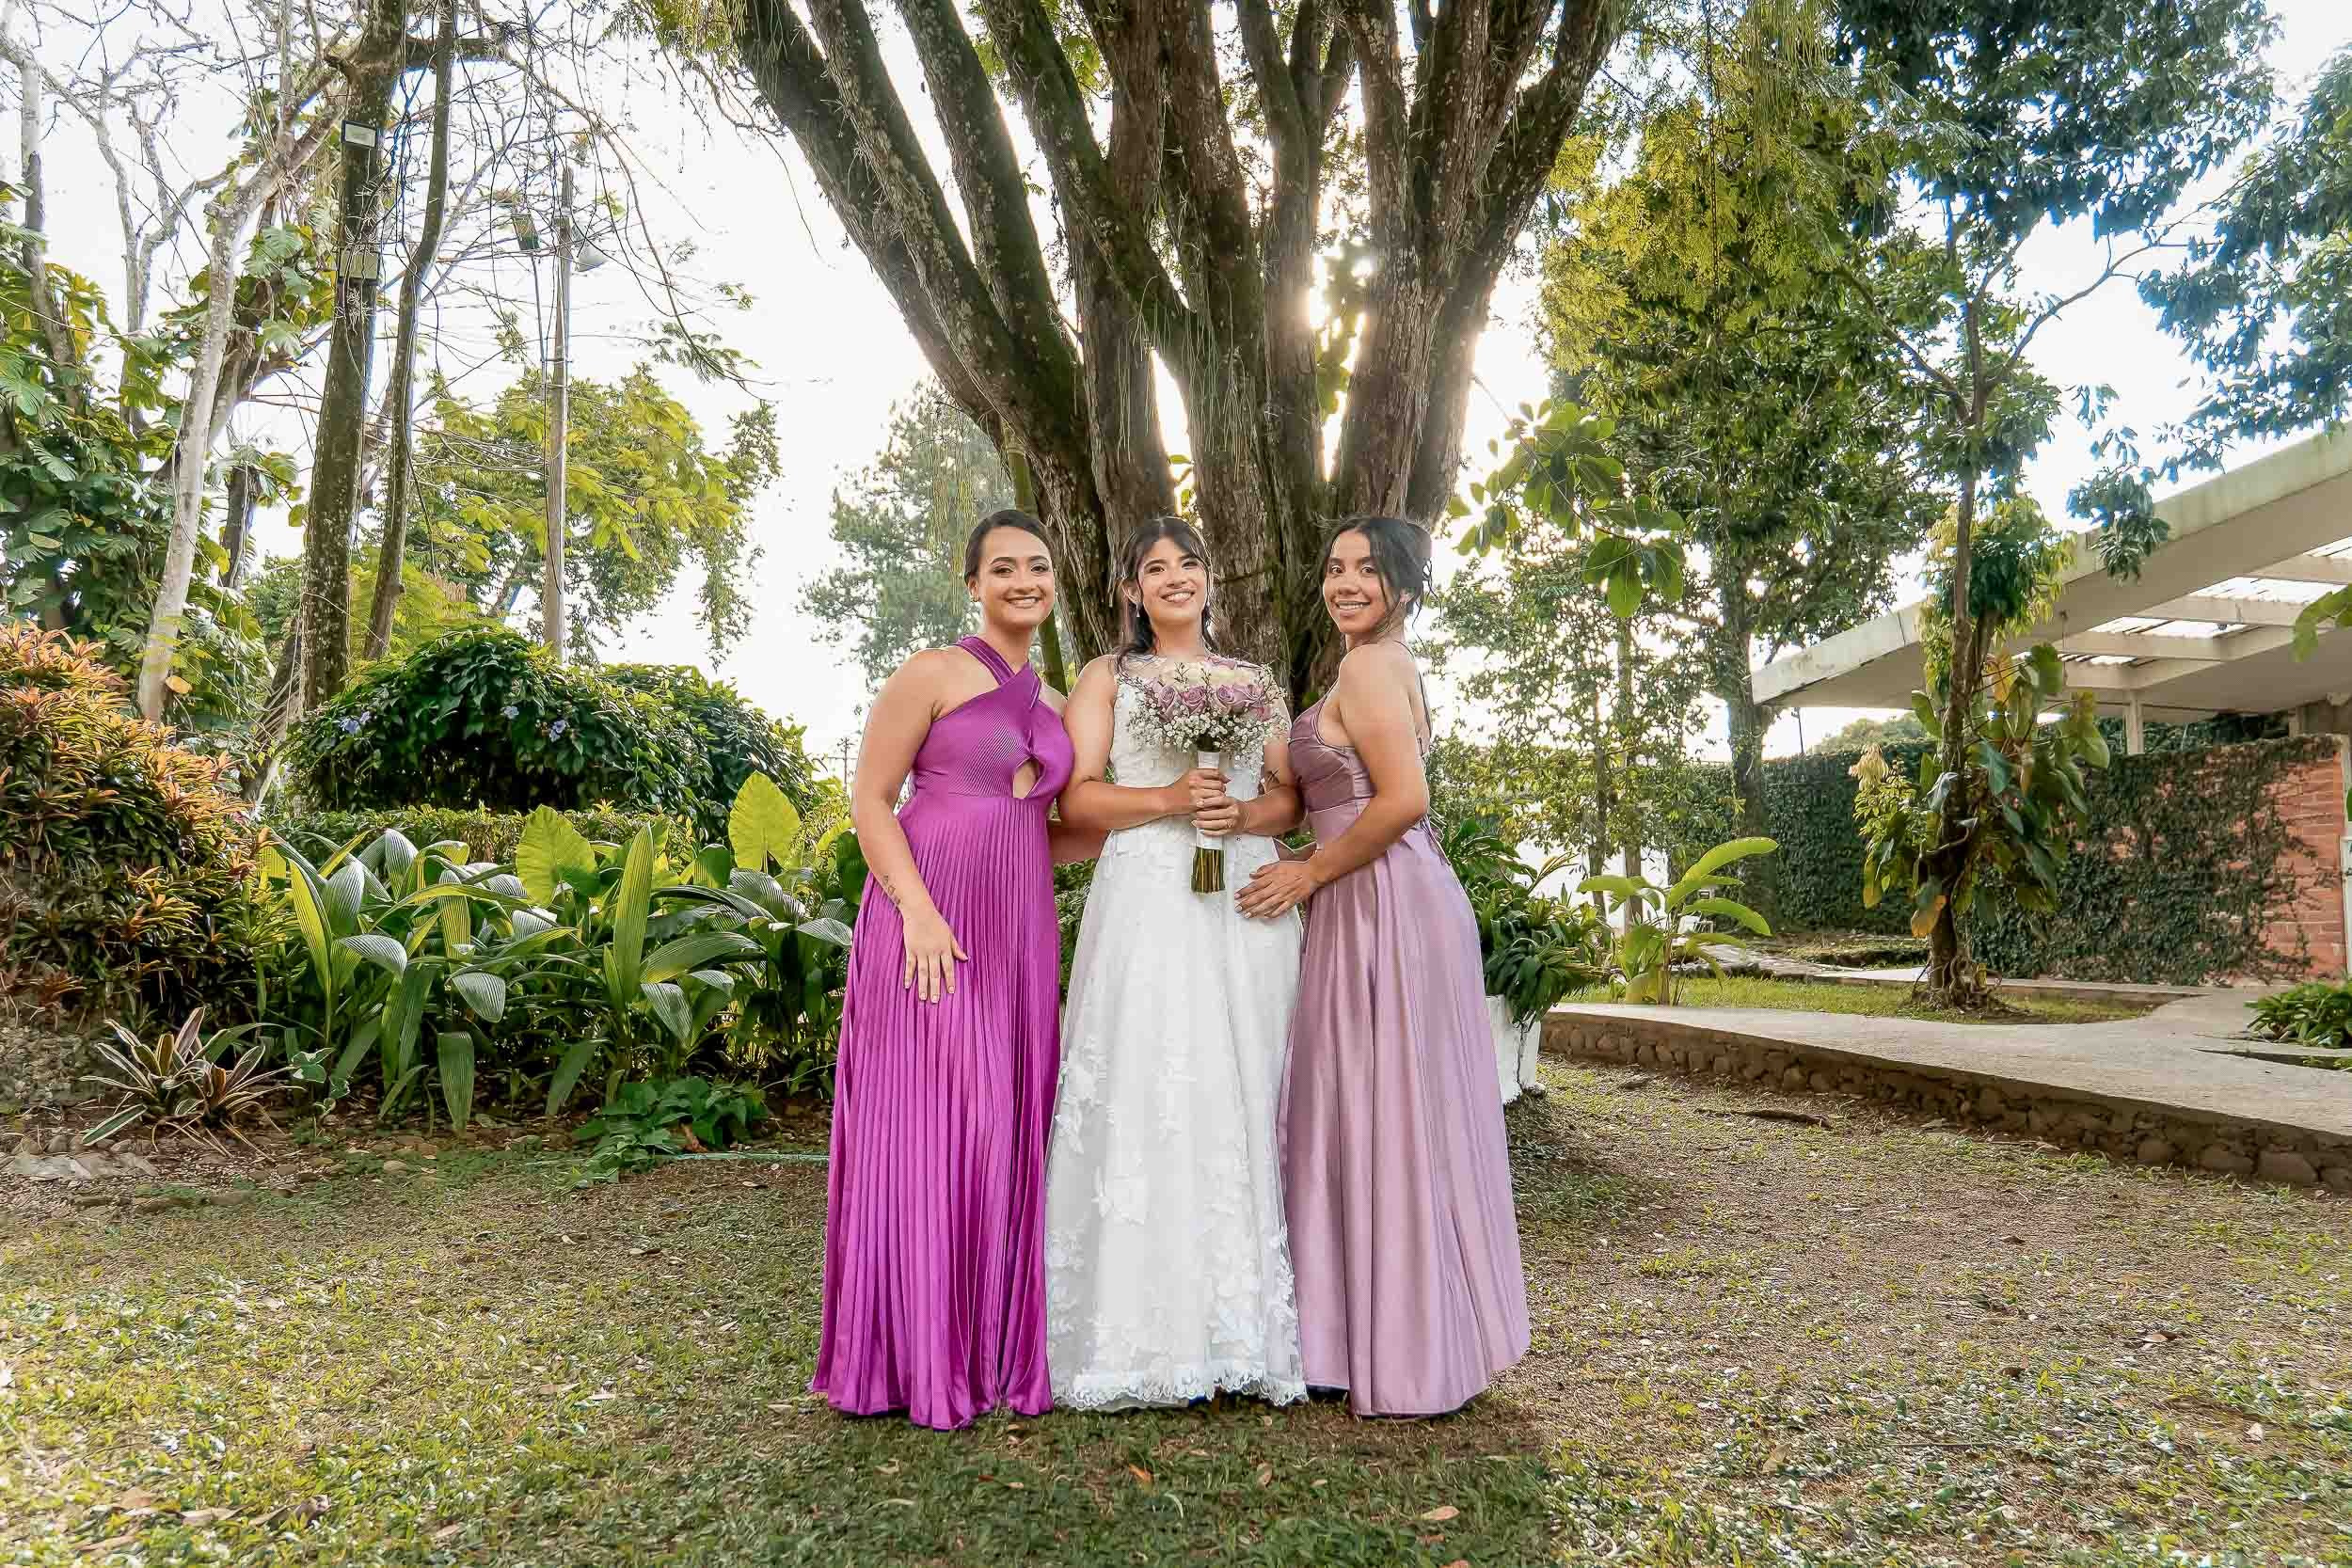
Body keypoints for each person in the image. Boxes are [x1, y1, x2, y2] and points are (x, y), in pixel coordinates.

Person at [1238, 515, 1531, 1418]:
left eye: (1368, 569)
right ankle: (1388, 1331)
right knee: (1377, 1101)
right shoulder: (1372, 664)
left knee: (1386, 1101)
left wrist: (1308, 874)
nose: (1346, 582)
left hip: (1380, 900)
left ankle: (1399, 1344)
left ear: (1402, 584)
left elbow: (1403, 799)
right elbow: (1321, 796)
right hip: (1375, 893)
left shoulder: (1371, 665)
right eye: (1335, 567)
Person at [810, 509, 1090, 1432]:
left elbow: (1056, 836)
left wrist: (1171, 807)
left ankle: (986, 1348)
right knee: (932, 1125)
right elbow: (870, 796)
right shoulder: (931, 671)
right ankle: (906, 1355)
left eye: (1037, 566)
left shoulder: (1053, 707)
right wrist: (917, 909)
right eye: (1002, 567)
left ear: (1053, 582)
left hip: (1018, 930)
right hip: (927, 922)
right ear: (971, 582)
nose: (1022, 580)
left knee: (1002, 1125)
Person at [1042, 517, 1307, 1409]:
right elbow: (1076, 794)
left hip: (1238, 891)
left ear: (1209, 577)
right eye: (1155, 568)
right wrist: (1166, 797)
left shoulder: (1253, 680)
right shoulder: (1105, 677)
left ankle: (1240, 1324)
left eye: (1188, 562)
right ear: (1130, 591)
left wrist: (1242, 815)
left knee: (1236, 1078)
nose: (1175, 578)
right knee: (1153, 1078)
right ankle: (1138, 1329)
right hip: (1150, 895)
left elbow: (1288, 798)